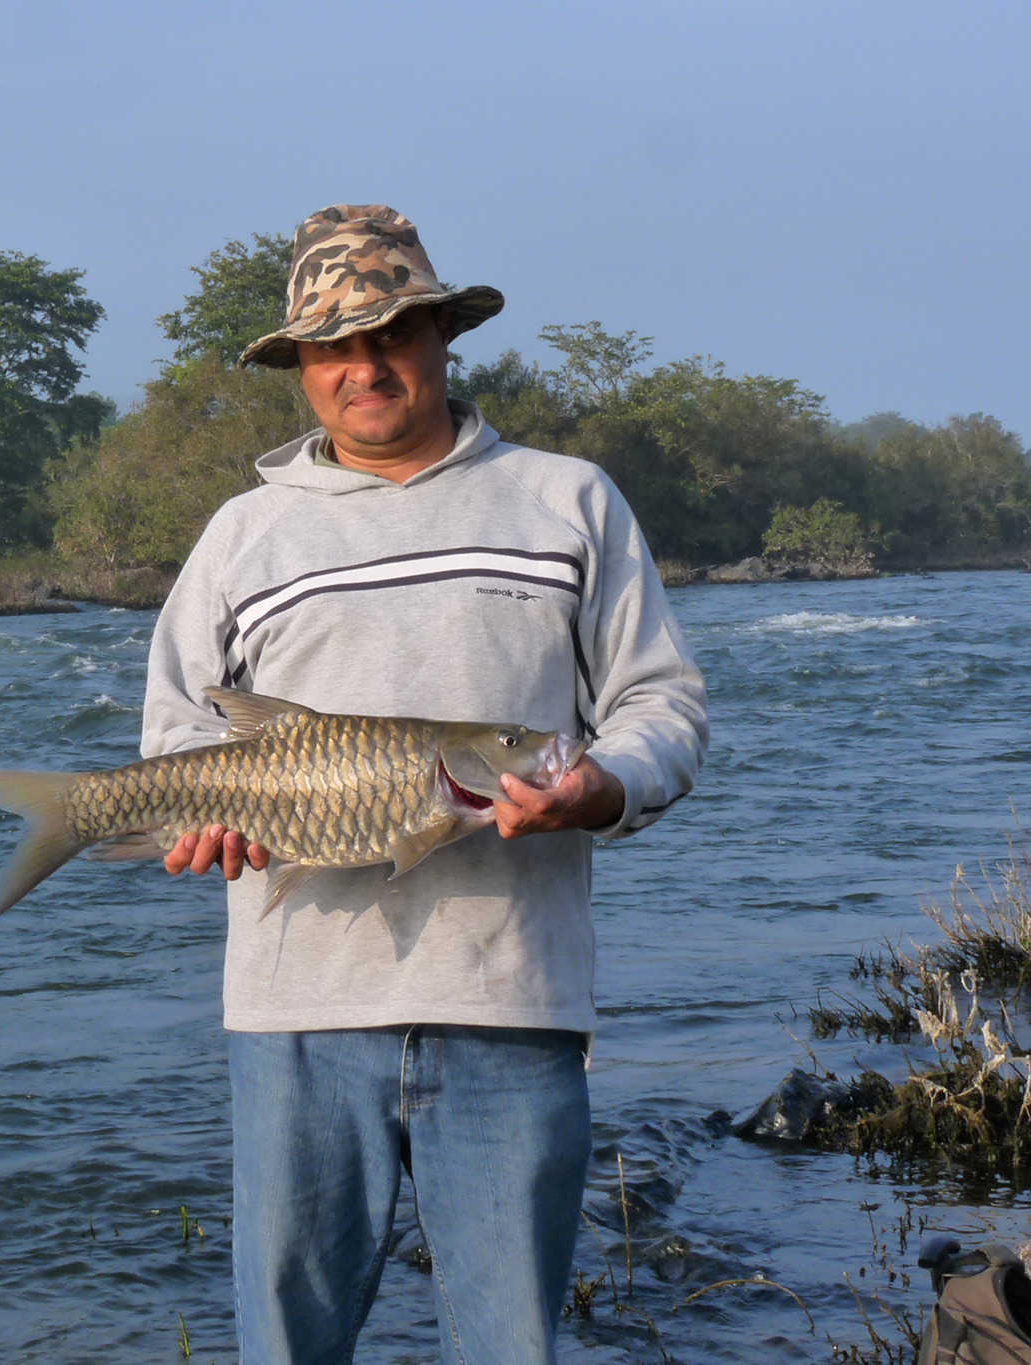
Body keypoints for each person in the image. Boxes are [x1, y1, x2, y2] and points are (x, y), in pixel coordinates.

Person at [141, 204, 708, 1364]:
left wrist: (598, 785)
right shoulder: (243, 535)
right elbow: (176, 739)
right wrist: (197, 823)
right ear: (298, 368)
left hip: (511, 1001)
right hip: (293, 1013)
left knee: (511, 1347)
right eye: (332, 348)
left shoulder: (567, 500)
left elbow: (663, 704)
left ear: (445, 336)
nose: (365, 366)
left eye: (393, 333)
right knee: (285, 1346)